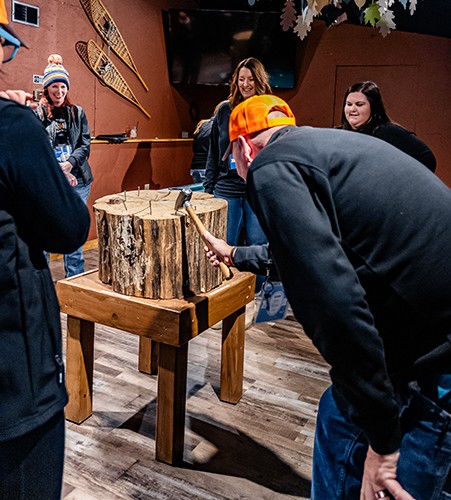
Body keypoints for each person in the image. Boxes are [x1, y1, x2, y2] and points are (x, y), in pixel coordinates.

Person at [204, 94, 451, 500]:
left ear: (244, 147)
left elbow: (335, 310)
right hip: (430, 331)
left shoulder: (270, 166)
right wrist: (234, 253)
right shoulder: (326, 147)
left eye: (234, 158)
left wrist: (384, 441)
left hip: (433, 361)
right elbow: (313, 248)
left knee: (360, 443)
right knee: (339, 416)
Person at [0, 3, 90, 498]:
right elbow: (70, 227)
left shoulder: (68, 116)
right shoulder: (15, 125)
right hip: (16, 385)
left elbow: (83, 145)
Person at [203, 58, 271, 280]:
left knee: (257, 244)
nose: (245, 84)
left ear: (259, 81)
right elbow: (214, 152)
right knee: (224, 245)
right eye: (241, 79)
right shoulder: (224, 110)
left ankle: (255, 293)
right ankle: (226, 291)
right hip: (226, 189)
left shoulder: (269, 109)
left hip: (256, 190)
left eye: (251, 79)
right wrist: (209, 189)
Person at [35, 53, 93, 277]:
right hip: (49, 182)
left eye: (63, 87)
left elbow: (84, 145)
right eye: (54, 88)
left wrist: (69, 164)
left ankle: (75, 283)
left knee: (73, 232)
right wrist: (57, 169)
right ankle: (42, 283)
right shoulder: (38, 113)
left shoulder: (77, 113)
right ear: (46, 89)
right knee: (44, 232)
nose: (59, 92)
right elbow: (37, 145)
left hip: (78, 180)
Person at [339, 80, 436, 172]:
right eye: (349, 104)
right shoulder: (339, 134)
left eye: (359, 104)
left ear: (373, 108)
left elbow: (427, 158)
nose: (352, 109)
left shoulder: (387, 131)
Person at [190, 116, 214, 184]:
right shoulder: (217, 126)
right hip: (207, 167)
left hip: (195, 166)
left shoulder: (203, 125)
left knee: (200, 193)